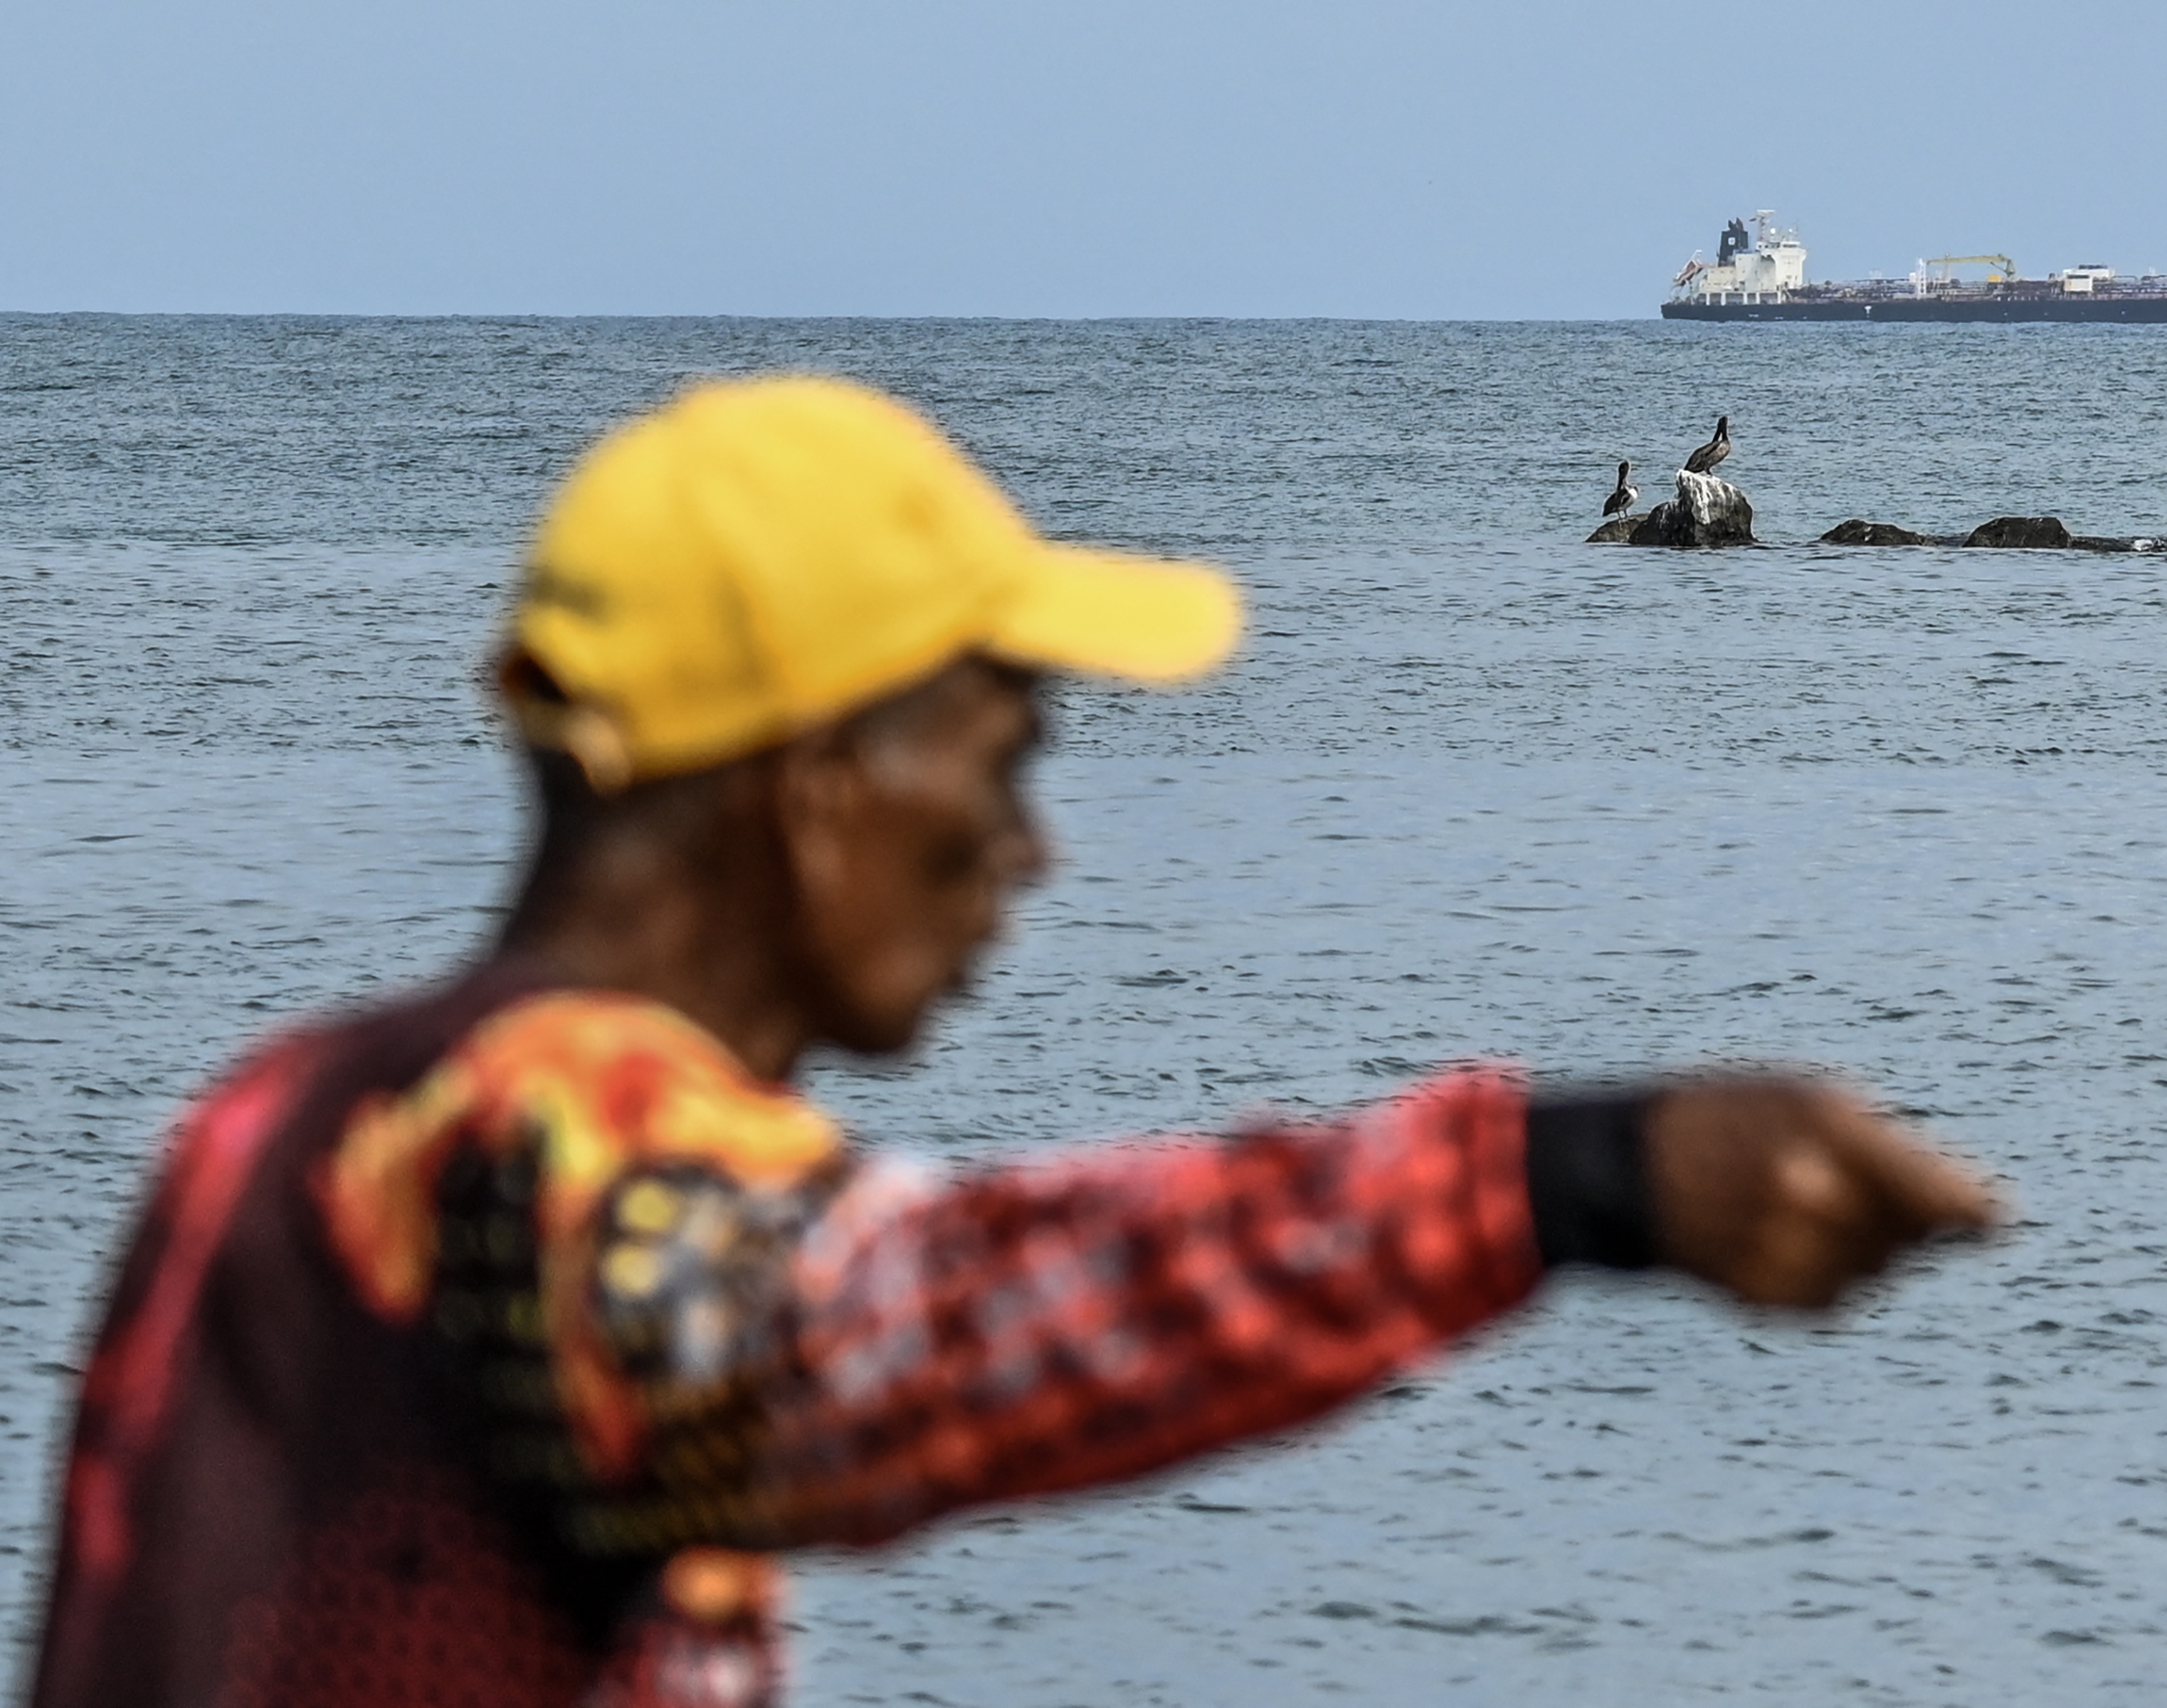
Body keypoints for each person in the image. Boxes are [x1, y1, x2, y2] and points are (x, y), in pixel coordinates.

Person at [27, 376, 1996, 1708]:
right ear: (810, 788)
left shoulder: (277, 1113)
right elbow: (922, 1330)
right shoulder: (545, 1152)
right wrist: (1573, 1177)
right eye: (999, 759)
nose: (1032, 850)